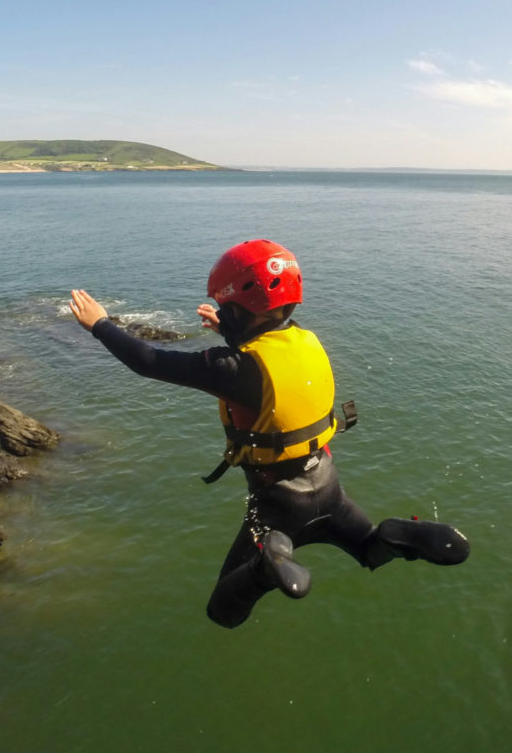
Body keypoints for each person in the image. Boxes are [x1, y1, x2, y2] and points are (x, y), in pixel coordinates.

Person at [69, 239, 470, 629]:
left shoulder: (231, 368)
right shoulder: (305, 341)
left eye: (227, 308)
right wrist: (229, 331)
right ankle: (397, 536)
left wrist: (100, 325)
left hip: (279, 504)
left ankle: (266, 565)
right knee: (368, 550)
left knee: (224, 611)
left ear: (243, 311)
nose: (222, 314)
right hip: (328, 487)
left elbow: (149, 361)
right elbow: (264, 362)